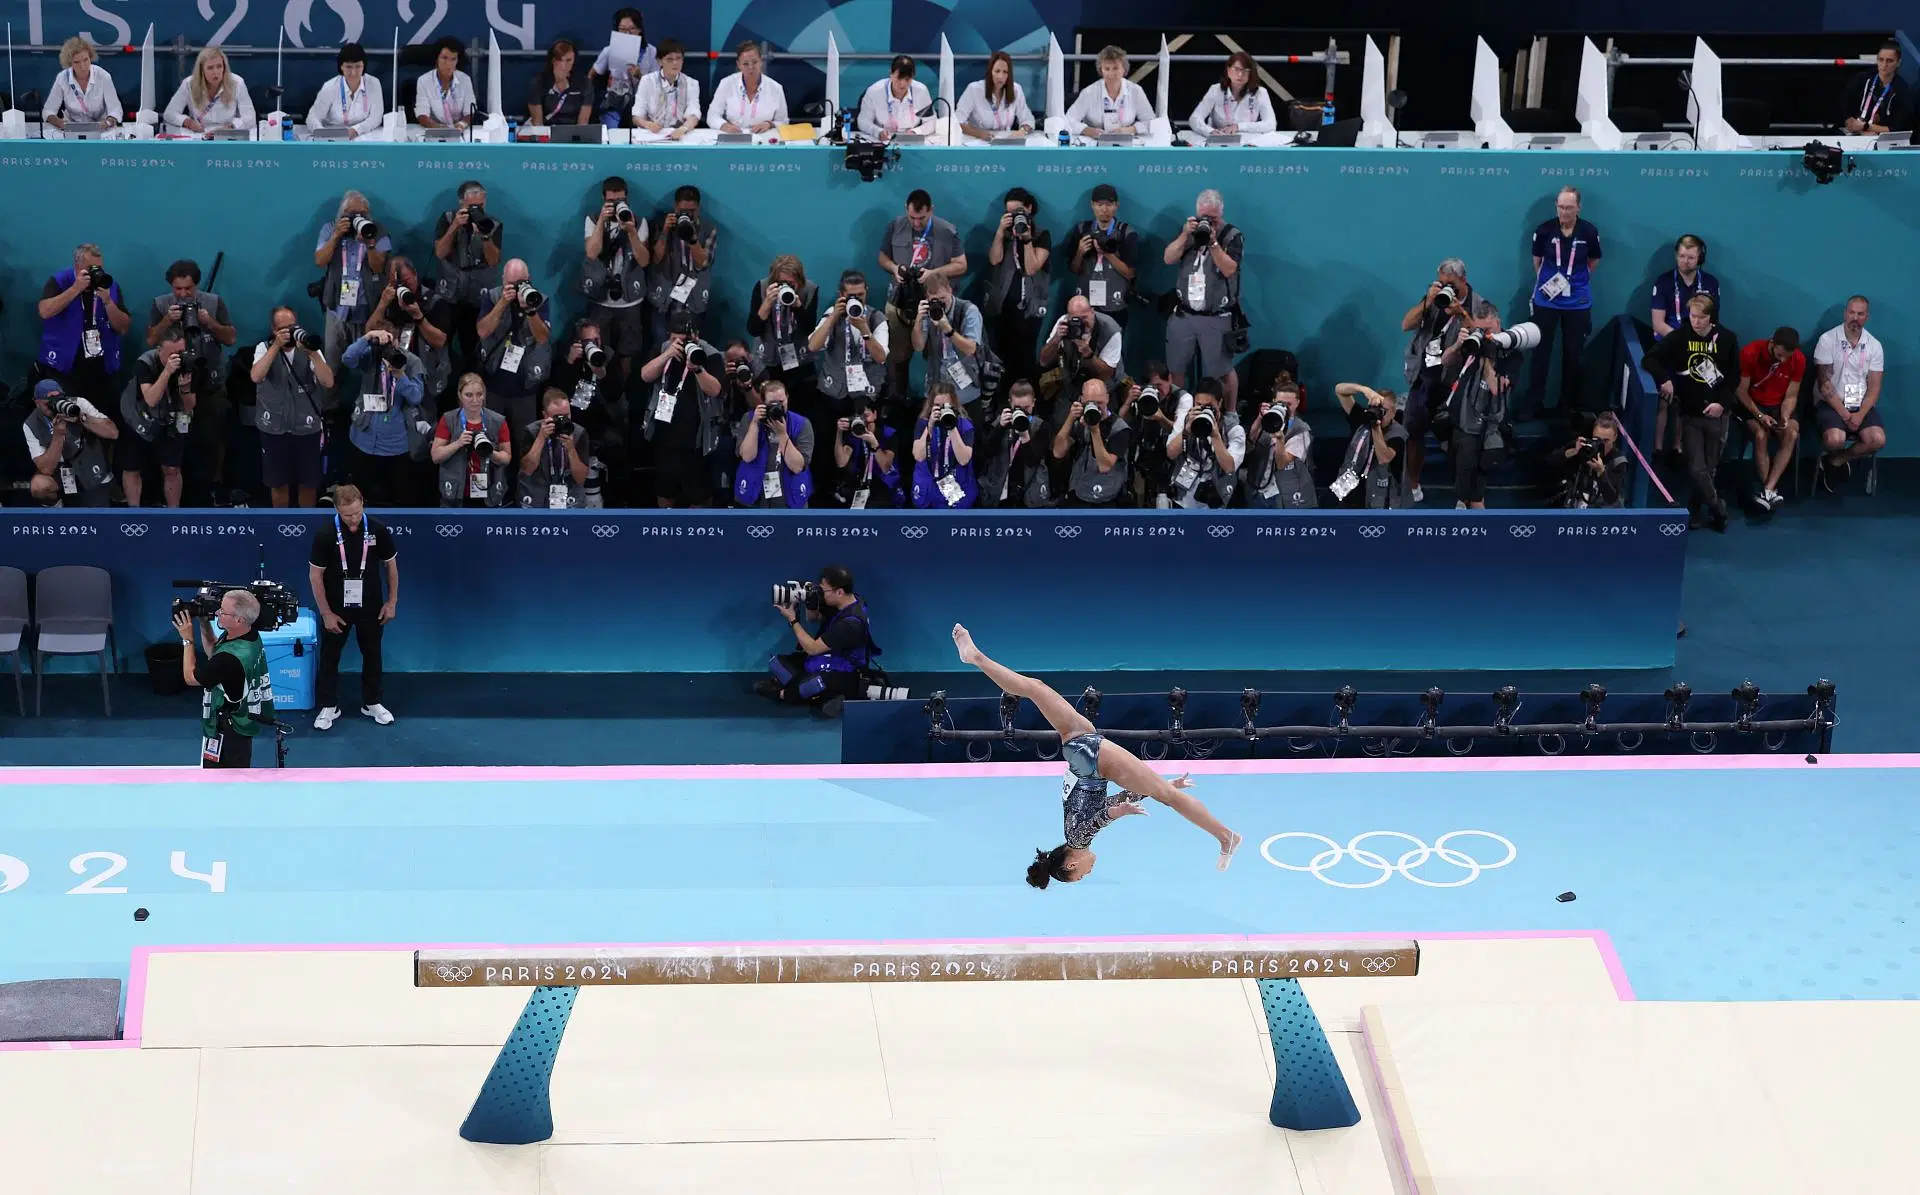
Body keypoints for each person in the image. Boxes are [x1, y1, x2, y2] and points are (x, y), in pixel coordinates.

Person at [948, 624, 1240, 887]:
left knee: (1169, 798)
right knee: (1035, 688)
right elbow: (1112, 802)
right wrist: (1146, 794)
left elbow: (1103, 815)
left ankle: (1226, 838)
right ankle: (976, 658)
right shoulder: (1072, 831)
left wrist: (1124, 811)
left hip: (1093, 761)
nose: (1088, 871)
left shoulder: (1077, 838)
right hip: (1079, 751)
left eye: (1082, 874)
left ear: (1071, 864)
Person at [1644, 293, 1739, 531]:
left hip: (1719, 413)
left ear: (1711, 317)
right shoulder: (1679, 337)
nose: (1696, 322)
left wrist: (1722, 404)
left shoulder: (1727, 339)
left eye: (1701, 317)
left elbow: (1734, 377)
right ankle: (1718, 507)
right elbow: (1650, 359)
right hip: (1690, 413)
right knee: (1697, 467)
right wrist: (1664, 379)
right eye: (1692, 316)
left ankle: (1696, 509)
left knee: (1710, 467)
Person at [307, 485, 398, 732]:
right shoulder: (325, 534)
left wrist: (391, 603)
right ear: (337, 509)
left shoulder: (377, 529)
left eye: (357, 512)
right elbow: (316, 576)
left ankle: (372, 702)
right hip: (337, 607)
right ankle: (328, 705)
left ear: (362, 504)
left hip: (371, 605)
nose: (354, 518)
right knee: (330, 656)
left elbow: (390, 567)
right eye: (347, 515)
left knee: (372, 654)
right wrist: (326, 613)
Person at [755, 566, 877, 718]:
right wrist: (810, 600)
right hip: (829, 657)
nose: (821, 594)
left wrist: (792, 620)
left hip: (848, 672)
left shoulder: (851, 623)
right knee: (778, 664)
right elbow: (814, 619)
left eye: (823, 591)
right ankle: (825, 697)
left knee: (810, 684)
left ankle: (782, 693)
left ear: (839, 592)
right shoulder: (847, 601)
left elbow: (812, 649)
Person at [1399, 258, 1474, 504]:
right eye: (1440, 283)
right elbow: (1406, 325)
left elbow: (1485, 337)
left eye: (1449, 284)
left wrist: (1461, 314)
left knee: (1457, 442)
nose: (1445, 288)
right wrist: (1428, 301)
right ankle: (1413, 485)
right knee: (1413, 433)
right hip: (1424, 379)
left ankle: (1463, 495)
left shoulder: (1478, 304)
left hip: (1454, 384)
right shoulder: (1434, 299)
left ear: (1463, 280)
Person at [1523, 186, 1601, 421]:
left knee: (1573, 355)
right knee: (1540, 354)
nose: (1564, 212)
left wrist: (1576, 281)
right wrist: (1550, 285)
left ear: (1579, 207)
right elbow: (1537, 262)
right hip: (1546, 300)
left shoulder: (1588, 232)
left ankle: (1566, 407)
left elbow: (1594, 260)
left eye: (1569, 207)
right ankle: (1533, 403)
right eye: (1561, 207)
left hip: (1577, 302)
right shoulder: (1544, 230)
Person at [173, 589, 272, 770]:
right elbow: (214, 651)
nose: (217, 612)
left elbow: (190, 678)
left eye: (223, 612)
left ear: (239, 620)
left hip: (229, 731)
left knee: (225, 783)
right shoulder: (248, 636)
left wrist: (187, 639)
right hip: (242, 719)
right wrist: (204, 623)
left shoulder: (229, 659)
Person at [1811, 295, 1887, 491]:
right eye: (1852, 312)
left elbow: (1875, 386)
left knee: (1877, 439)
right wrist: (1846, 415)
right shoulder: (1827, 340)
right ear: (1845, 314)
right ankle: (1834, 456)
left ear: (1867, 317)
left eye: (1860, 314)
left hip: (1860, 403)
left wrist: (1860, 414)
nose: (1855, 317)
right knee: (1836, 439)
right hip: (1831, 403)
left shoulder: (1874, 345)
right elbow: (1824, 384)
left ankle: (1837, 461)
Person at [1735, 326, 1804, 510]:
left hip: (1778, 405)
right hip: (1751, 404)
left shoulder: (1798, 359)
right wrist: (1759, 415)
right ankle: (1770, 491)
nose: (1783, 360)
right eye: (1780, 355)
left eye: (1787, 357)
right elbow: (1741, 391)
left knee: (1792, 433)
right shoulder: (1750, 353)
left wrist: (1785, 416)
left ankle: (1767, 489)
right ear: (1772, 343)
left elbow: (1791, 396)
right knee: (1760, 435)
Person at [23, 378, 117, 507]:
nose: (54, 404)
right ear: (36, 401)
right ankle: (57, 509)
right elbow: (46, 468)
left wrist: (83, 419)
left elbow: (113, 433)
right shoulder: (31, 424)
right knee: (39, 486)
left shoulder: (78, 403)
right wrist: (58, 435)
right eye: (48, 401)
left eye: (58, 398)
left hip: (90, 466)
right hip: (61, 471)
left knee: (95, 519)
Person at [1065, 184, 1139, 330]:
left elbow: (1130, 273)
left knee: (1113, 346)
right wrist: (1080, 252)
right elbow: (1073, 269)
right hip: (1085, 304)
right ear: (1092, 205)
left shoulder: (1126, 233)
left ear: (1116, 206)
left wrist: (1107, 253)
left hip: (1115, 303)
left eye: (1109, 204)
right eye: (1100, 205)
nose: (1104, 209)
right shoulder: (1081, 230)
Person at [1331, 382, 1406, 509]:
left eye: (1384, 411)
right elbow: (1339, 390)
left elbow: (1384, 458)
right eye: (1375, 408)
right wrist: (1365, 390)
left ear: (1393, 412)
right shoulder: (1363, 418)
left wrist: (1375, 426)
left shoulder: (1398, 433)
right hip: (1349, 486)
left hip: (1379, 494)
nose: (1378, 413)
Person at [1066, 45, 1154, 138]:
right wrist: (1087, 130)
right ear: (1101, 71)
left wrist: (1131, 129)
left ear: (1124, 69)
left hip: (1127, 143)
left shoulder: (1136, 91)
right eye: (1107, 69)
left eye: (1115, 68)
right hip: (1094, 143)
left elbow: (1150, 121)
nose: (1111, 73)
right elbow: (1069, 120)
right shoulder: (1089, 92)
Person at [164, 46, 255, 135]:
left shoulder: (237, 82)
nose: (216, 72)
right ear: (202, 70)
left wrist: (230, 127)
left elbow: (250, 118)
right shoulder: (189, 84)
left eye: (219, 66)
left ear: (224, 67)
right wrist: (188, 123)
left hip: (228, 134)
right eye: (210, 68)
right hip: (199, 135)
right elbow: (169, 113)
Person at [590, 7, 658, 121]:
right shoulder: (609, 50)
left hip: (642, 105)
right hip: (614, 104)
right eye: (623, 29)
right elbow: (592, 75)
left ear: (639, 29)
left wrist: (640, 76)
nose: (627, 33)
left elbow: (657, 84)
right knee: (612, 132)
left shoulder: (651, 52)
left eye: (632, 28)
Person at [306, 42, 384, 138]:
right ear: (341, 67)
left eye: (358, 66)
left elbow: (376, 117)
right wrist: (323, 134)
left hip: (363, 135)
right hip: (332, 137)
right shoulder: (330, 87)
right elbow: (312, 118)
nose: (353, 72)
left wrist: (356, 130)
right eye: (348, 67)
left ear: (364, 66)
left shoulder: (374, 83)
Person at [707, 40, 788, 133]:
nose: (751, 67)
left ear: (761, 61)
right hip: (733, 138)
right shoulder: (726, 83)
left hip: (763, 139)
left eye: (755, 62)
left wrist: (769, 124)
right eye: (746, 64)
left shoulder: (775, 88)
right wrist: (724, 126)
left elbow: (783, 121)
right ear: (739, 65)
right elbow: (712, 116)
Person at [1187, 51, 1276, 136]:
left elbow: (1271, 124)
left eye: (1245, 70)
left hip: (1248, 143)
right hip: (1220, 141)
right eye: (1236, 69)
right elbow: (1194, 119)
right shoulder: (1216, 90)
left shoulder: (1260, 92)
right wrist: (1210, 132)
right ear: (1228, 70)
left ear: (1251, 73)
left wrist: (1239, 127)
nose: (1240, 74)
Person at [43, 36, 122, 130]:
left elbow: (115, 110)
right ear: (69, 63)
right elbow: (48, 111)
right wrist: (60, 123)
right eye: (77, 62)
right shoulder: (62, 78)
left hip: (101, 130)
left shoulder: (103, 76)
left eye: (86, 60)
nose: (83, 66)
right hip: (71, 129)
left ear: (90, 58)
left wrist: (107, 123)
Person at [956, 51, 1034, 141]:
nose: (1000, 76)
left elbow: (1028, 120)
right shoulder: (974, 89)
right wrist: (979, 133)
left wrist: (1022, 131)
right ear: (990, 72)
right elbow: (958, 121)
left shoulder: (1016, 89)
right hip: (979, 142)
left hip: (1006, 143)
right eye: (997, 71)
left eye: (1005, 72)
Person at [1558, 411, 1629, 508]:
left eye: (1606, 440)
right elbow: (1550, 462)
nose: (1601, 444)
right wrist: (1573, 451)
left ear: (1615, 437)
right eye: (1597, 439)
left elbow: (1611, 498)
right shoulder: (1584, 449)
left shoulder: (1618, 461)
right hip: (1577, 504)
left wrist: (1601, 472)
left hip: (1603, 511)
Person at [632, 38, 700, 138]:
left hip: (679, 134)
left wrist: (683, 129)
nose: (675, 63)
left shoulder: (691, 83)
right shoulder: (647, 81)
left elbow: (694, 115)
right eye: (670, 59)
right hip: (651, 134)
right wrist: (648, 125)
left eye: (678, 58)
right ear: (660, 62)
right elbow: (636, 117)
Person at [857, 55, 934, 140]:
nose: (902, 84)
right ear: (891, 74)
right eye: (899, 78)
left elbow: (931, 121)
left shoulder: (921, 92)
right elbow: (863, 121)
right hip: (883, 142)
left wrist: (915, 132)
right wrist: (878, 132)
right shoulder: (874, 92)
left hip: (912, 142)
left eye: (907, 79)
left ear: (913, 77)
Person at [1842, 40, 1907, 135]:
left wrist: (1867, 127)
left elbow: (1899, 128)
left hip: (1881, 140)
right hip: (1854, 135)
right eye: (1881, 60)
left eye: (1890, 61)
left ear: (1898, 63)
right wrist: (1851, 124)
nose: (1884, 65)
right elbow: (1844, 110)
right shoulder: (1862, 79)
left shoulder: (1902, 89)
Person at [527, 39, 595, 127]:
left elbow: (583, 123)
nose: (564, 65)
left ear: (574, 61)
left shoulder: (585, 83)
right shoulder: (538, 83)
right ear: (552, 60)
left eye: (568, 60)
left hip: (573, 133)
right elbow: (537, 123)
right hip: (546, 131)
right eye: (560, 60)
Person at [415, 38, 478, 131]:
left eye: (453, 59)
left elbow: (470, 112)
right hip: (434, 131)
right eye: (444, 58)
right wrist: (440, 129)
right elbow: (422, 115)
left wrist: (461, 125)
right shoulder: (424, 81)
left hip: (460, 132)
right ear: (437, 59)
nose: (448, 64)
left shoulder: (465, 80)